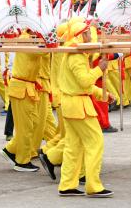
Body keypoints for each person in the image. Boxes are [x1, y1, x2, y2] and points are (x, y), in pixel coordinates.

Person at [55, 18, 112, 197]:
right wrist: (99, 69)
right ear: (80, 36)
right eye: (86, 33)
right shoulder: (77, 56)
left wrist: (101, 94)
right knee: (95, 142)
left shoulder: (76, 54)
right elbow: (85, 81)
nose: (89, 36)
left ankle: (67, 185)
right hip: (78, 106)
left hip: (74, 103)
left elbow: (82, 86)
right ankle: (93, 186)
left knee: (74, 146)